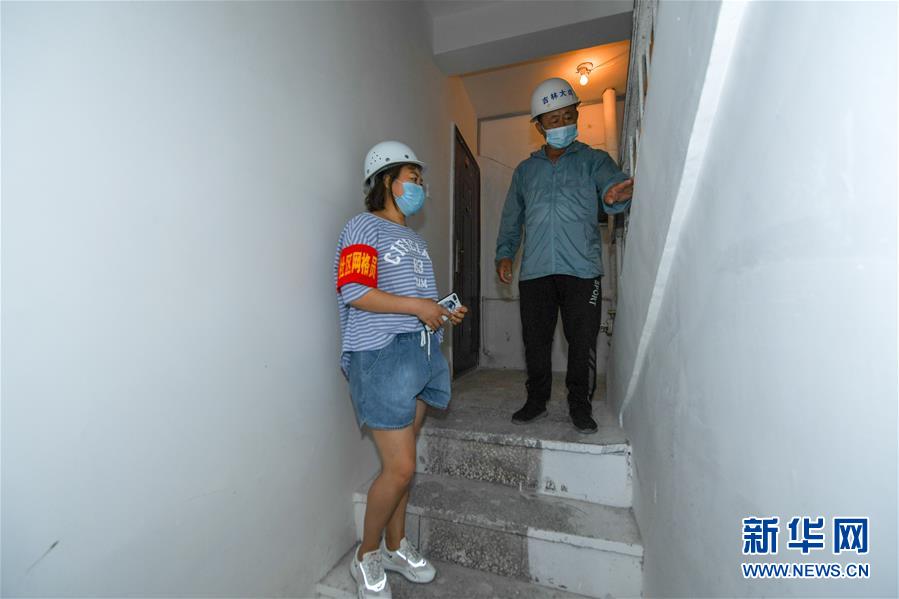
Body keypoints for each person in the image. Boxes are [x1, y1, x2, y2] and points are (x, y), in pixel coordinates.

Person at [334, 140, 468, 598]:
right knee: (401, 466)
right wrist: (417, 306)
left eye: (421, 180)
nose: (420, 187)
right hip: (381, 355)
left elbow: (415, 302)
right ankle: (366, 554)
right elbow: (356, 291)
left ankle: (396, 546)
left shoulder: (415, 239)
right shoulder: (362, 226)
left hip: (420, 354)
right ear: (387, 181)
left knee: (404, 469)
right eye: (413, 178)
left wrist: (439, 311)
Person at [495, 77, 634, 434]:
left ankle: (580, 405)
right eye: (553, 119)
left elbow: (613, 186)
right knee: (535, 341)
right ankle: (536, 400)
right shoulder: (525, 171)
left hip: (582, 270)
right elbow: (512, 217)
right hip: (535, 271)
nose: (562, 124)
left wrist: (615, 195)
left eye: (568, 116)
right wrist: (505, 253)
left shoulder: (594, 160)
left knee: (582, 342)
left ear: (577, 115)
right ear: (539, 126)